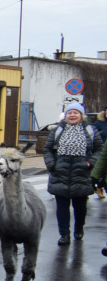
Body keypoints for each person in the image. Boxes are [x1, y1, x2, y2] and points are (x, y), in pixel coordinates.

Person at [44, 101, 103, 245]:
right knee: (62, 207)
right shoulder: (58, 130)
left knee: (80, 207)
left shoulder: (90, 130)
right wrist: (52, 165)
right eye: (69, 113)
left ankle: (79, 228)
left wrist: (91, 163)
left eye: (75, 113)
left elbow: (99, 149)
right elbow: (48, 149)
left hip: (82, 174)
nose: (72, 115)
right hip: (60, 173)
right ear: (65, 116)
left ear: (81, 115)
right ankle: (64, 234)